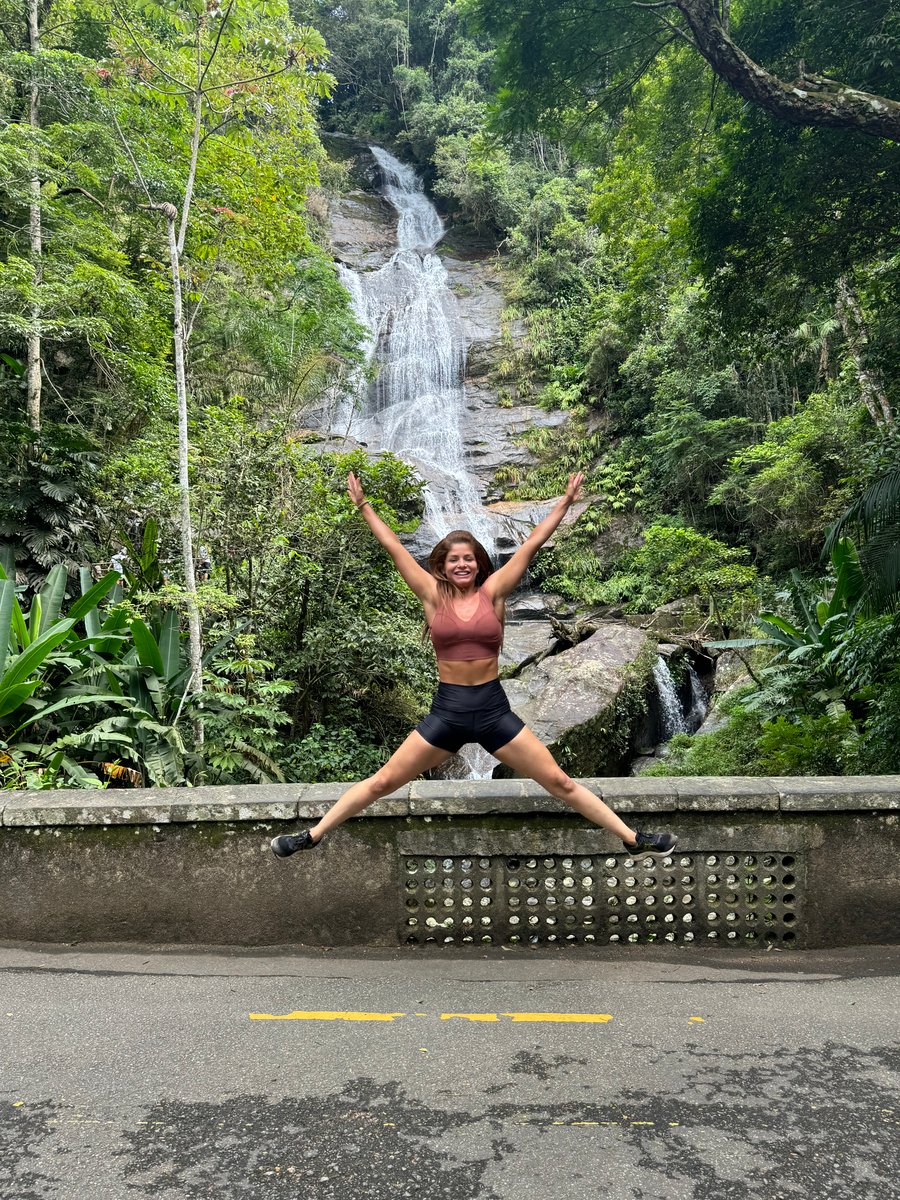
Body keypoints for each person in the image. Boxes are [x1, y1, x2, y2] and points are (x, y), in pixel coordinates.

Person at [271, 471, 677, 860]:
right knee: (382, 781)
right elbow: (395, 548)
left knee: (559, 782)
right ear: (442, 566)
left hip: (491, 710)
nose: (461, 565)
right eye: (453, 560)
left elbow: (531, 544)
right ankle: (312, 835)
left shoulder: (495, 591)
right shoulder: (432, 595)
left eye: (468, 558)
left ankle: (631, 837)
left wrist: (566, 503)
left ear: (479, 563)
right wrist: (363, 507)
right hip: (447, 712)